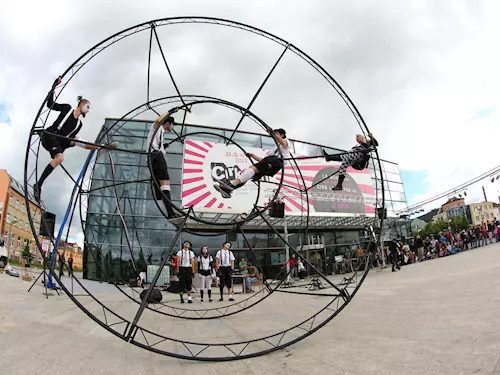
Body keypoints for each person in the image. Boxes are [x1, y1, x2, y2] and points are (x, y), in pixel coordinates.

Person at [34, 76, 118, 201]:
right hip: (50, 134)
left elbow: (70, 140)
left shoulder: (79, 124)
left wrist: (62, 148)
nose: (88, 111)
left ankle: (101, 147)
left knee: (78, 140)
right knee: (61, 157)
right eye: (88, 107)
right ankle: (38, 185)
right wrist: (54, 86)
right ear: (81, 104)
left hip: (60, 140)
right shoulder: (67, 109)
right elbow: (50, 104)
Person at [214, 128, 290, 198]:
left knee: (253, 169)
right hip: (271, 161)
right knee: (250, 173)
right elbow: (263, 160)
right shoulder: (274, 148)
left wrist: (272, 133)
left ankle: (230, 184)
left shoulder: (286, 141)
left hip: (277, 161)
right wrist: (252, 156)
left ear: (282, 135)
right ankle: (228, 190)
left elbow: (283, 143)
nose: (275, 136)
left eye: (277, 134)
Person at [147, 106, 183, 220]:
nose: (172, 127)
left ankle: (170, 213)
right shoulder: (157, 128)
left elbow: (158, 145)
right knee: (165, 183)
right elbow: (158, 120)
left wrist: (164, 146)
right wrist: (171, 111)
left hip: (154, 157)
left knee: (163, 187)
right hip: (156, 157)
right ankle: (171, 213)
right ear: (168, 123)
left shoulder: (160, 134)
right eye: (172, 124)